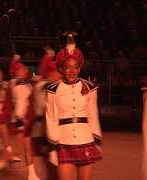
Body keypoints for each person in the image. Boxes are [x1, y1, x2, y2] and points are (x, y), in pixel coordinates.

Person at [45, 34, 102, 180]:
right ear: (61, 69)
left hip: (86, 140)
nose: (72, 71)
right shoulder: (52, 90)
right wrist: (52, 146)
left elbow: (93, 115)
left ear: (80, 68)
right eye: (68, 67)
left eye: (76, 67)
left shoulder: (89, 88)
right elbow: (51, 118)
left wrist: (97, 141)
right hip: (64, 142)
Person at [32, 49, 61, 180]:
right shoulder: (46, 85)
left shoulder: (42, 84)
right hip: (44, 130)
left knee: (50, 166)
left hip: (42, 129)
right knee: (52, 165)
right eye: (57, 72)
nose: (60, 75)